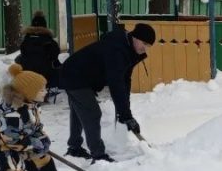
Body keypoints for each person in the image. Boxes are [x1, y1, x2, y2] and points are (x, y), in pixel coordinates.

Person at [60, 23, 156, 162]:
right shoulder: (117, 50)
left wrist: (125, 114)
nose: (145, 48)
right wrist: (126, 115)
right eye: (144, 43)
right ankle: (98, 155)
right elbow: (116, 84)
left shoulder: (128, 50)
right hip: (74, 75)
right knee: (92, 113)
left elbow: (125, 81)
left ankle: (74, 147)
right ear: (135, 37)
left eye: (148, 46)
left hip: (80, 76)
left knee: (79, 111)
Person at [15, 10, 61, 91]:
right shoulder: (50, 42)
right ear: (45, 26)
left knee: (18, 58)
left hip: (28, 77)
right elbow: (55, 57)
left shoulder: (25, 41)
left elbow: (23, 54)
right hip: (46, 78)